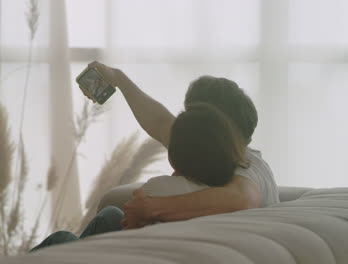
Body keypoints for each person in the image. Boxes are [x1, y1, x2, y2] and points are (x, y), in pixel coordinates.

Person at [80, 62, 279, 230]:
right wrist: (118, 78)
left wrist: (149, 207)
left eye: (194, 115)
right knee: (110, 216)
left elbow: (243, 200)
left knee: (72, 235)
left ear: (217, 124)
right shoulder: (209, 152)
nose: (186, 122)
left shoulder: (251, 165)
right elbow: (159, 121)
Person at [31, 102, 248, 252]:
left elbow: (129, 232)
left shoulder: (159, 189)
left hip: (133, 254)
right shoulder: (235, 186)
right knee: (110, 215)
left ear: (176, 154)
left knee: (63, 240)